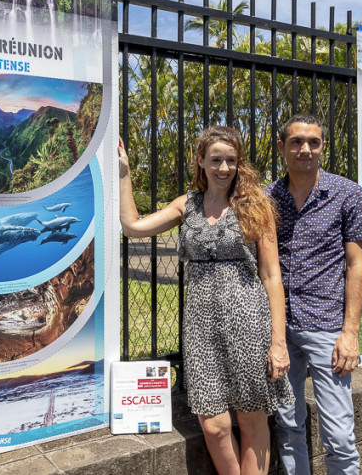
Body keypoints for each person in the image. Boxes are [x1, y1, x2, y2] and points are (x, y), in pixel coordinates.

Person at [119, 126, 293, 475]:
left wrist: (279, 342)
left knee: (251, 416)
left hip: (248, 320)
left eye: (231, 160)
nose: (224, 168)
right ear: (201, 161)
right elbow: (132, 226)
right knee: (214, 424)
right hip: (200, 325)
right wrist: (124, 173)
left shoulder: (255, 205)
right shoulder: (187, 205)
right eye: (215, 160)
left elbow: (272, 276)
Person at [265, 113, 362, 475]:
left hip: (327, 328)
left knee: (339, 436)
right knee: (288, 425)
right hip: (279, 329)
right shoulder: (267, 197)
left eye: (313, 142)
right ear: (282, 147)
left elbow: (357, 265)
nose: (305, 149)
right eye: (296, 141)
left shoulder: (347, 193)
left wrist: (351, 333)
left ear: (322, 147)